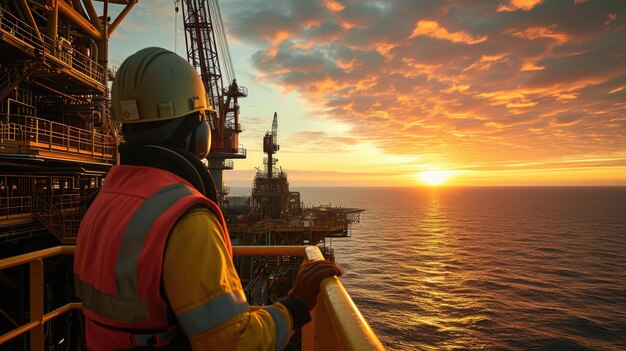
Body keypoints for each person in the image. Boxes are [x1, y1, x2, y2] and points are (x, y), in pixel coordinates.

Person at [73, 47, 341, 350]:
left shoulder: (102, 201)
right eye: (202, 118)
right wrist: (297, 304)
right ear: (198, 130)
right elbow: (235, 344)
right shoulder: (184, 218)